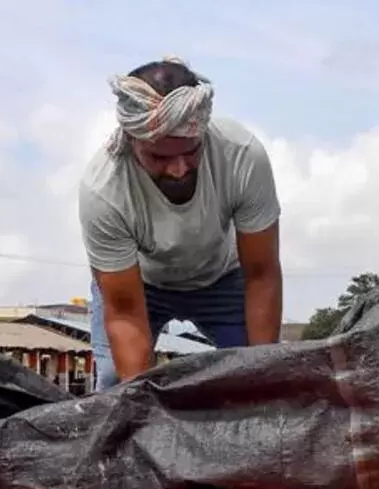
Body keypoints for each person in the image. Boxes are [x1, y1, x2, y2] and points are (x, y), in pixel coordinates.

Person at [78, 58, 283, 387]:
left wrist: (261, 380)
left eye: (190, 152)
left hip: (222, 279)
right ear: (132, 141)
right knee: (116, 383)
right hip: (140, 285)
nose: (178, 169)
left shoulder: (242, 155)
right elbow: (126, 312)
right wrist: (137, 406)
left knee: (256, 377)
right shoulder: (104, 189)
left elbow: (261, 274)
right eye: (159, 157)